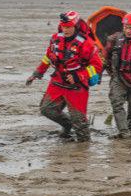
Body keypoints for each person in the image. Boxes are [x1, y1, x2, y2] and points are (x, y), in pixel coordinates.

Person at [26, 11, 102, 142]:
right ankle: (67, 125)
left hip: (76, 87)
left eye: (69, 27)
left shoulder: (87, 44)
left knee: (79, 121)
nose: (65, 30)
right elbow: (47, 58)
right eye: (63, 27)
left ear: (76, 26)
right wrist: (37, 73)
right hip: (57, 82)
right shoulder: (55, 39)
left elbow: (97, 67)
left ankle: (83, 151)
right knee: (46, 109)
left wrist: (79, 76)